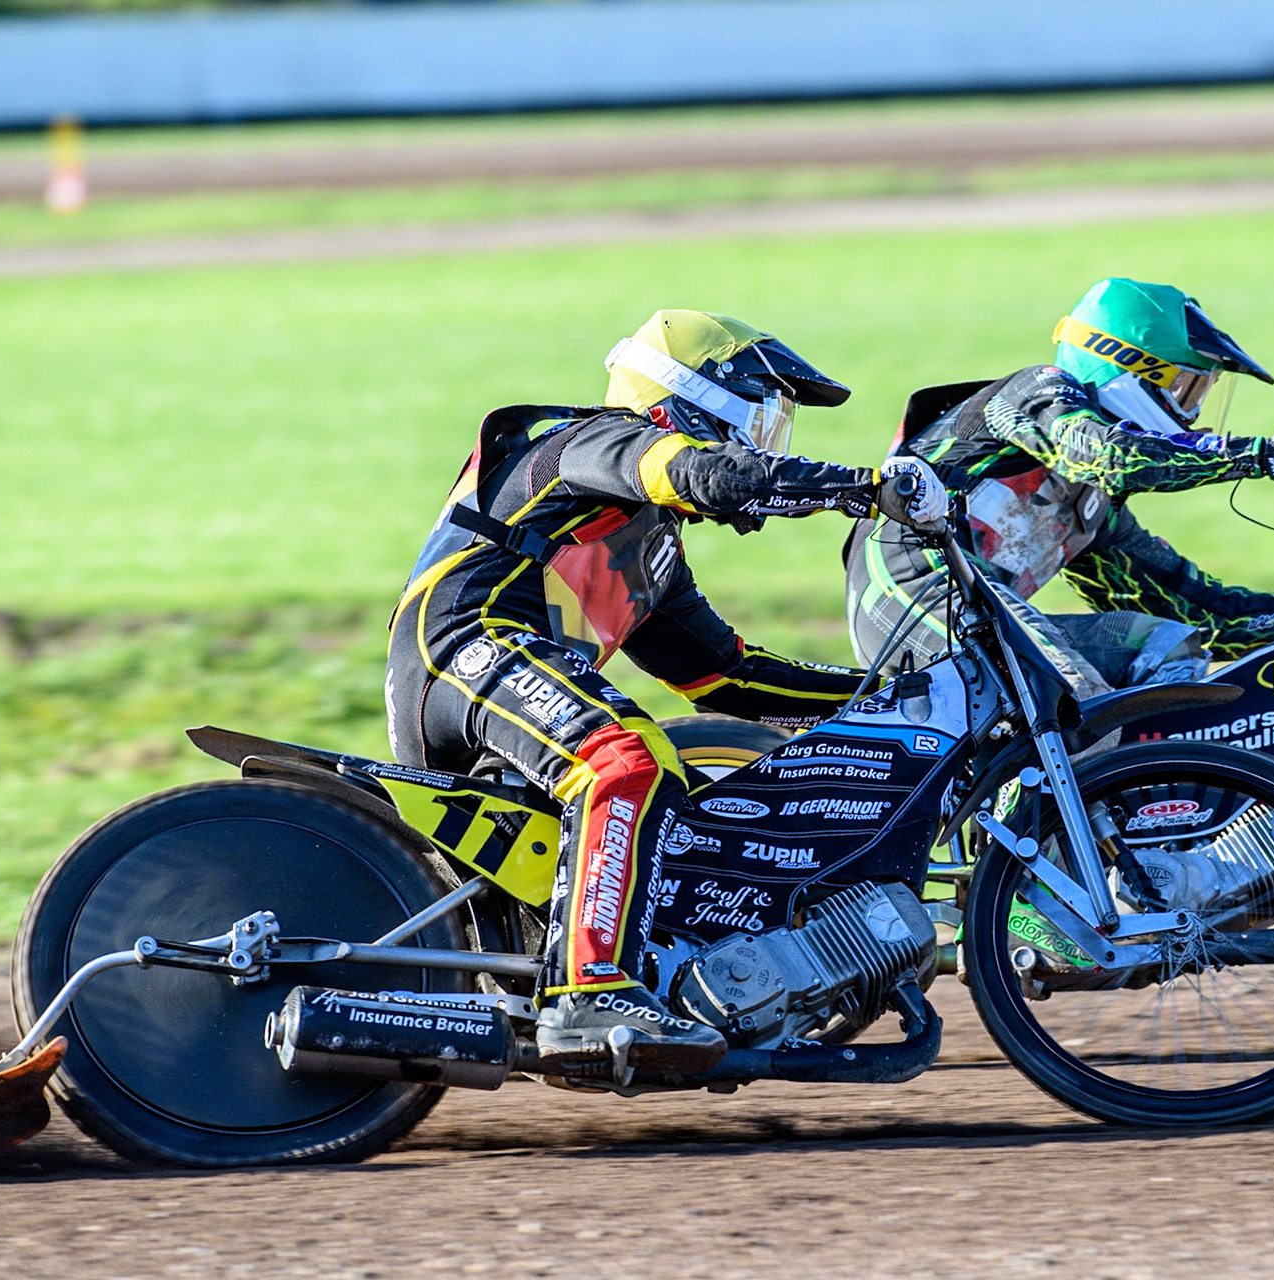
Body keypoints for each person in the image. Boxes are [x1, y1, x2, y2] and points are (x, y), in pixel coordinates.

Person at [387, 310, 948, 1077]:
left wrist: (888, 694)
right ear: (684, 400)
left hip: (491, 674)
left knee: (662, 789)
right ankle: (589, 993)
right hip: (460, 646)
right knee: (627, 759)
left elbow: (727, 678)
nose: (762, 444)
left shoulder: (649, 547)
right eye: (758, 415)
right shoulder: (593, 443)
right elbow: (706, 474)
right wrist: (862, 488)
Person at [846, 277, 1274, 697]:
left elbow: (1207, 614)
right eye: (1188, 389)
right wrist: (1265, 456)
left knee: (1171, 647)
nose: (1194, 415)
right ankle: (1045, 814)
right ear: (1127, 366)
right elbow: (1105, 454)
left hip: (976, 610)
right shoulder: (1036, 391)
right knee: (1071, 696)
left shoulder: (1091, 508)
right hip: (912, 593)